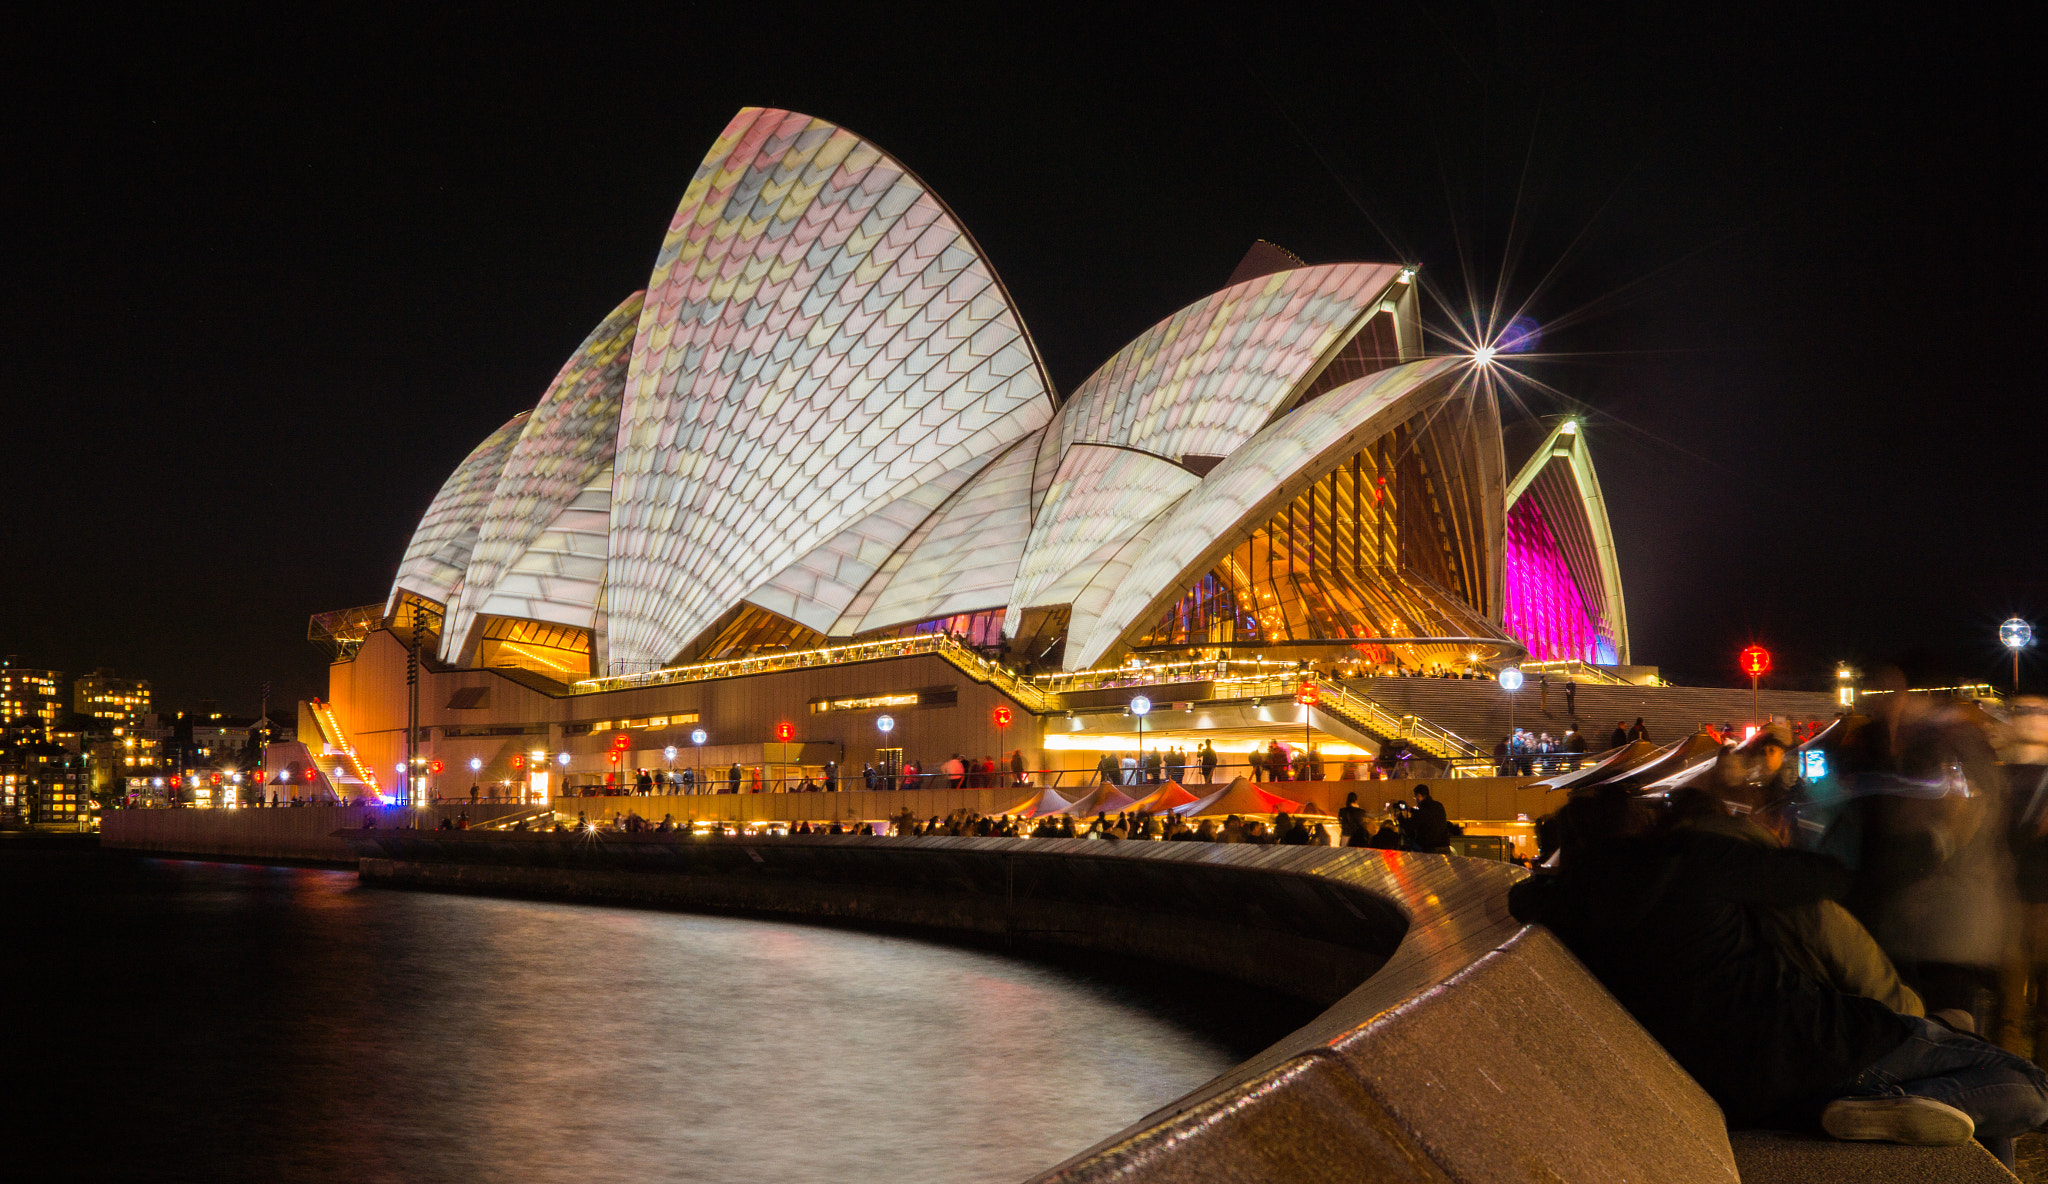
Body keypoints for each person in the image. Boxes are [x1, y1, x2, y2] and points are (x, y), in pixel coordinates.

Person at [1512, 787, 2048, 1164]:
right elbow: (1821, 880)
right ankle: (1888, 1108)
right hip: (1828, 1043)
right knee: (2029, 1089)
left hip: (1748, 1091)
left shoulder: (1575, 912)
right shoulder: (1695, 861)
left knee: (1982, 1105)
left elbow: (1523, 895)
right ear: (1642, 827)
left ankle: (1900, 1107)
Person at [1408, 785, 1452, 854]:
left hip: (1430, 848)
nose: (1415, 800)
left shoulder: (1423, 809)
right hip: (1444, 845)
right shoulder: (1438, 805)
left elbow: (1410, 826)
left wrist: (1399, 817)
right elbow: (1428, 816)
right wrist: (1411, 810)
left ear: (1419, 796)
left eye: (1415, 797)